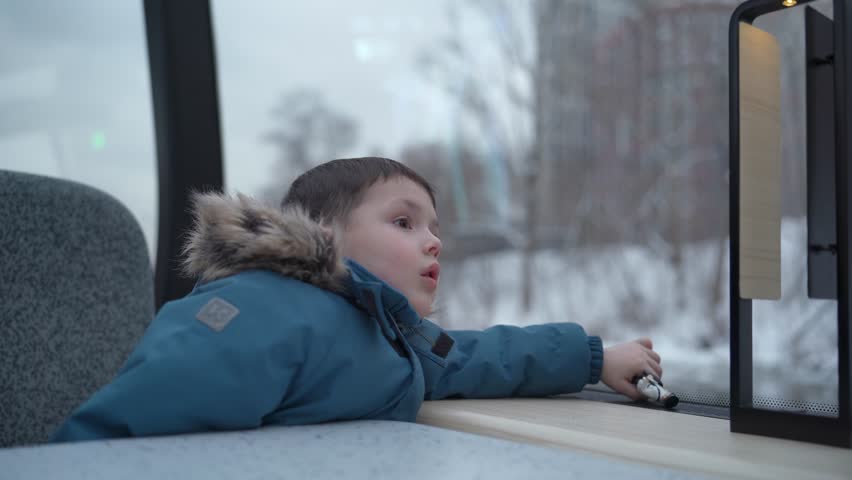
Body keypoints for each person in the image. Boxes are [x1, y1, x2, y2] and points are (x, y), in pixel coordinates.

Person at [51, 157, 663, 442]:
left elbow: (476, 355)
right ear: (325, 234)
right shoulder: (264, 308)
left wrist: (594, 358)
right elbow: (135, 424)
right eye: (405, 223)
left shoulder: (395, 336)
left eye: (435, 229)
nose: (433, 242)